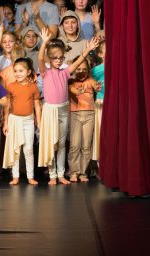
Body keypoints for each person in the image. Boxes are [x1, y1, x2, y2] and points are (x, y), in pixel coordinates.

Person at [37, 29, 101, 185]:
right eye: (55, 58)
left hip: (64, 109)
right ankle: (52, 174)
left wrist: (88, 49)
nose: (58, 60)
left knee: (61, 143)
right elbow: (40, 58)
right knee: (52, 143)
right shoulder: (45, 72)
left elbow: (78, 62)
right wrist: (44, 42)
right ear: (50, 58)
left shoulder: (65, 72)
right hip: (50, 110)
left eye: (61, 58)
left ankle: (60, 174)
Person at [3, 57, 41, 185]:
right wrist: (6, 122)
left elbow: (37, 106)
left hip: (28, 121)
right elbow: (7, 106)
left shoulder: (33, 87)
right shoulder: (11, 86)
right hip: (14, 120)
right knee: (16, 149)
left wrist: (39, 122)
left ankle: (30, 176)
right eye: (15, 71)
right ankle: (15, 176)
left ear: (28, 72)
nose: (17, 73)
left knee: (28, 149)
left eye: (21, 71)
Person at [67, 61, 99, 182]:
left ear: (88, 70)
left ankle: (83, 172)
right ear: (74, 69)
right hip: (75, 115)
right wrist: (79, 92)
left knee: (86, 146)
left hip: (89, 115)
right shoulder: (71, 82)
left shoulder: (90, 80)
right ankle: (73, 172)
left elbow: (95, 85)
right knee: (75, 145)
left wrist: (97, 87)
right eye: (79, 69)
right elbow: (72, 90)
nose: (81, 72)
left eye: (84, 69)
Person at [90, 37, 106, 172]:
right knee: (101, 132)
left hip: (114, 104)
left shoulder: (120, 66)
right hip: (101, 103)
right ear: (100, 54)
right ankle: (101, 165)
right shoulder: (96, 71)